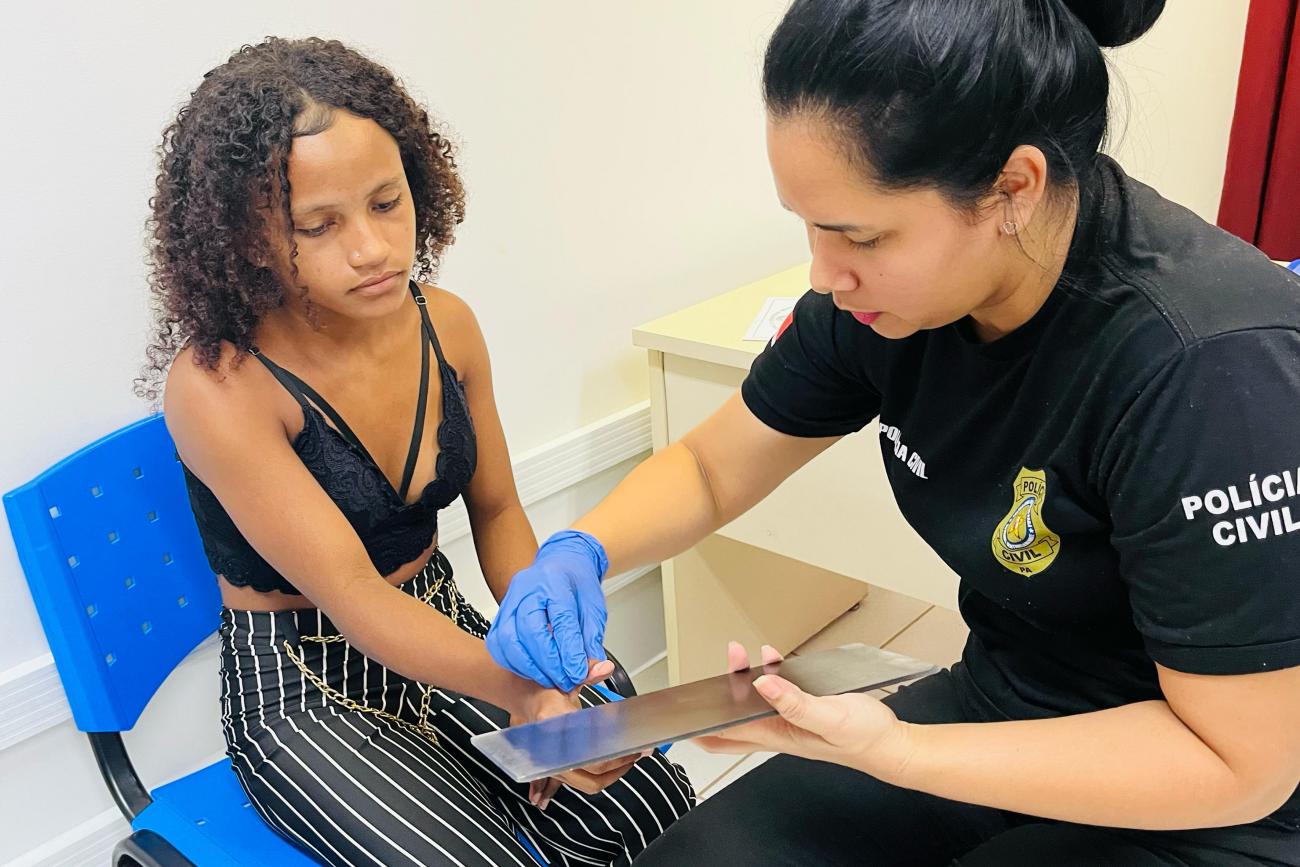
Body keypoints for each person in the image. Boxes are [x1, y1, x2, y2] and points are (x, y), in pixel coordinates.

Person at [486, 0, 1300, 863]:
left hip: (1211, 795)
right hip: (1005, 701)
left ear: (1013, 189)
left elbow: (1239, 763)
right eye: (809, 226)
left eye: (861, 237)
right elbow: (711, 468)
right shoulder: (883, 306)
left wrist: (898, 750)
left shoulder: (1210, 366)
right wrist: (580, 550)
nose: (824, 274)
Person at [140, 37, 693, 867]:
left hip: (442, 626)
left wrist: (558, 656)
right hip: (306, 684)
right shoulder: (219, 385)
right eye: (318, 225)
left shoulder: (449, 325)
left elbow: (498, 511)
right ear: (248, 238)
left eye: (386, 202)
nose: (371, 247)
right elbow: (356, 595)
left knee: (654, 802)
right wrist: (521, 690)